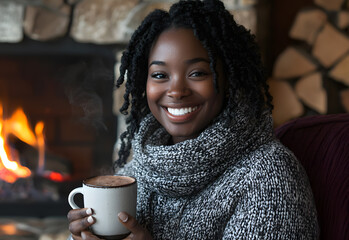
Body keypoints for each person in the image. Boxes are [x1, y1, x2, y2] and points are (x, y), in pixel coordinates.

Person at [68, 0, 319, 239]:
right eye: (159, 75)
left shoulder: (267, 176)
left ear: (229, 80)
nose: (176, 91)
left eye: (197, 73)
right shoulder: (139, 170)